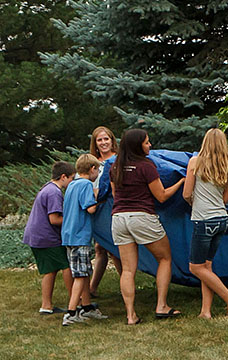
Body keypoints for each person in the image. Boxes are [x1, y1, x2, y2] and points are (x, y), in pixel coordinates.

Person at [110, 129, 185, 324]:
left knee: (127, 270)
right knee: (165, 258)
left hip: (118, 218)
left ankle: (130, 315)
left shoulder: (115, 167)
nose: (149, 145)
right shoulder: (146, 166)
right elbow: (161, 195)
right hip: (141, 217)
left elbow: (114, 195)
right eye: (146, 143)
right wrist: (181, 182)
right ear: (137, 146)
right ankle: (161, 306)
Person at [182, 128, 228, 318]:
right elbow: (225, 198)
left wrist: (195, 203)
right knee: (206, 267)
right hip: (221, 219)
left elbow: (186, 193)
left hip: (203, 220)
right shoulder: (226, 166)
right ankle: (205, 311)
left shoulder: (195, 162)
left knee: (195, 267)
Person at [22, 161, 75, 314]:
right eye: (71, 178)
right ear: (63, 177)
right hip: (46, 237)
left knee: (50, 270)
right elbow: (54, 219)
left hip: (36, 236)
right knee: (66, 266)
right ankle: (75, 301)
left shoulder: (47, 187)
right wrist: (73, 218)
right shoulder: (54, 192)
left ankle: (46, 306)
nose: (72, 182)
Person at [60, 154, 108, 325]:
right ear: (92, 169)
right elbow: (90, 209)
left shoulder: (72, 185)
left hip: (68, 236)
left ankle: (87, 307)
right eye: (98, 170)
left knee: (84, 272)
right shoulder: (86, 184)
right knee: (80, 275)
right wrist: (98, 197)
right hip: (80, 236)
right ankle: (72, 312)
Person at [88, 126, 123, 297]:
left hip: (110, 206)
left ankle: (126, 282)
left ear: (112, 140)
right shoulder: (92, 162)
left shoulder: (118, 159)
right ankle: (92, 288)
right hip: (96, 208)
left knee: (112, 247)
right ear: (95, 143)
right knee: (100, 248)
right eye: (99, 140)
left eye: (106, 139)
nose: (103, 143)